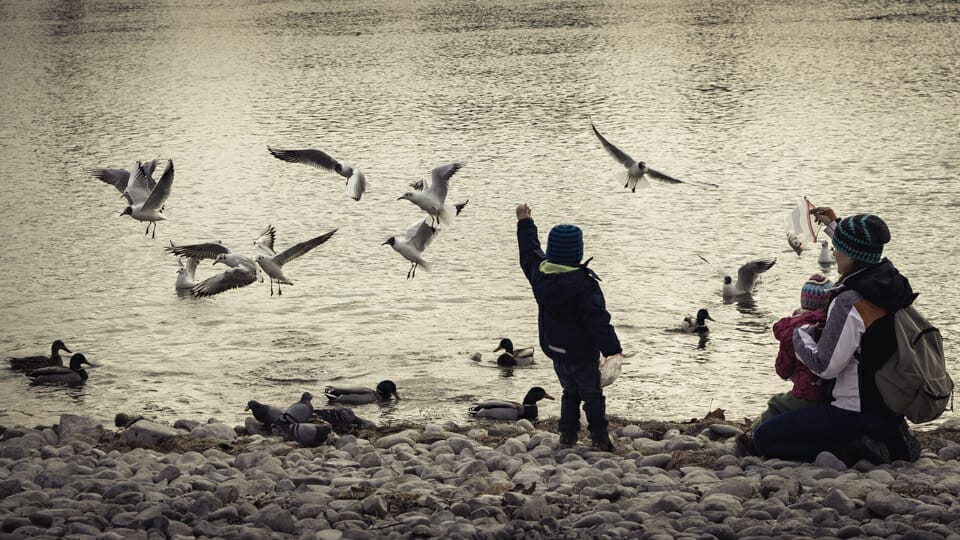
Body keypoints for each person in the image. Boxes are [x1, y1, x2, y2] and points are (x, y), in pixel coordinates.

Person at [753, 209, 922, 465]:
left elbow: (825, 366)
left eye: (836, 248)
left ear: (852, 254)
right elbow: (863, 254)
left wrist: (799, 331)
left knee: (765, 437)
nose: (833, 253)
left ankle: (852, 449)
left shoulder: (848, 302)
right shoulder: (890, 282)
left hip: (852, 412)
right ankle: (884, 437)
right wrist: (834, 226)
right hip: (887, 409)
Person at [515, 204, 623, 451]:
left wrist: (524, 222)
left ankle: (567, 436)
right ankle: (599, 437)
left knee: (569, 392)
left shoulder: (539, 273)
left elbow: (529, 251)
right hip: (582, 353)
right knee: (592, 395)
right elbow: (598, 321)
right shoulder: (584, 285)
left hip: (554, 348)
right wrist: (612, 349)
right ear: (578, 252)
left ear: (552, 250)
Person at [756, 274, 833, 427]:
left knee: (775, 405)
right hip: (833, 394)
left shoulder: (793, 330)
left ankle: (753, 436)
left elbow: (783, 369)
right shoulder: (835, 323)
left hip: (806, 394)